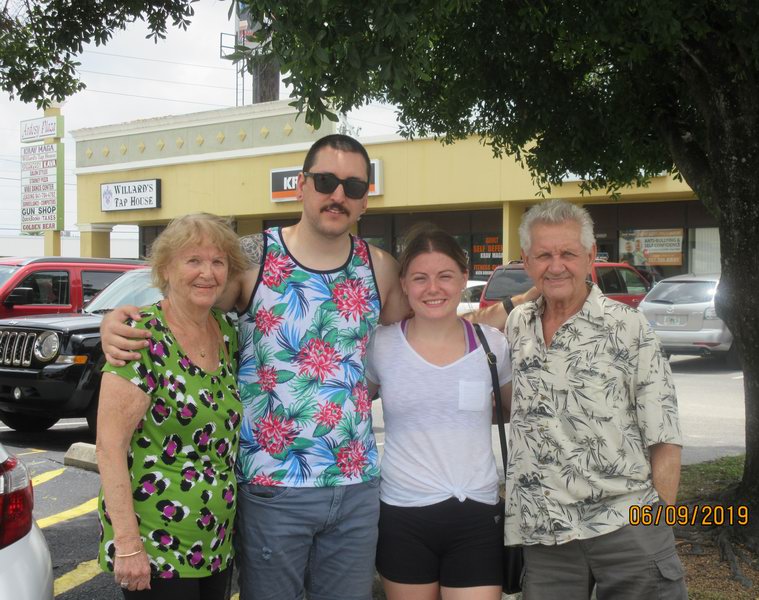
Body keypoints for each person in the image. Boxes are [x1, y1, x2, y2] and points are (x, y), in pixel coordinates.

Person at [99, 134, 535, 600]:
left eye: (353, 186)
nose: (338, 195)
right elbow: (186, 299)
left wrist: (525, 301)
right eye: (326, 181)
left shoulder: (379, 268)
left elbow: (436, 320)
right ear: (302, 185)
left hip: (356, 490)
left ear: (365, 200)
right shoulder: (253, 257)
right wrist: (117, 319)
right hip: (272, 488)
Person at [504, 199, 687, 599]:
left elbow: (664, 435)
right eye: (544, 255)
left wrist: (659, 524)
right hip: (545, 534)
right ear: (526, 262)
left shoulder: (628, 327)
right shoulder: (519, 324)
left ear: (590, 257)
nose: (556, 266)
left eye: (568, 254)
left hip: (626, 526)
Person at [95, 213, 249, 599]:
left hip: (215, 541)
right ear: (165, 269)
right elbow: (109, 447)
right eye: (193, 260)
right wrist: (127, 544)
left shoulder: (226, 332)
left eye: (217, 262)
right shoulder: (140, 338)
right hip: (156, 544)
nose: (207, 273)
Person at [366, 224, 512, 600]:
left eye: (445, 276)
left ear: (464, 278)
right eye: (420, 278)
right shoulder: (380, 345)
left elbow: (512, 410)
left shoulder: (493, 347)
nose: (433, 288)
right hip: (403, 514)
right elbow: (347, 410)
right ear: (403, 284)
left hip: (477, 514)